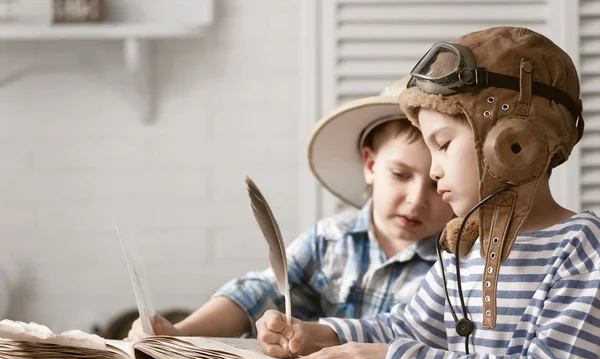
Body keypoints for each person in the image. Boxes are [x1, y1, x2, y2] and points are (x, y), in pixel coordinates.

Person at [256, 26, 600, 359]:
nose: (434, 169)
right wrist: (323, 335)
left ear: (515, 141)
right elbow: (410, 328)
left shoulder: (582, 248)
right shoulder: (465, 244)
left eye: (443, 144)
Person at [127, 78, 454, 340]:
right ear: (370, 165)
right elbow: (260, 291)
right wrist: (181, 332)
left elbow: (419, 334)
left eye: (435, 183)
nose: (416, 199)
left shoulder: (456, 261)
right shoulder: (329, 240)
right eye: (400, 175)